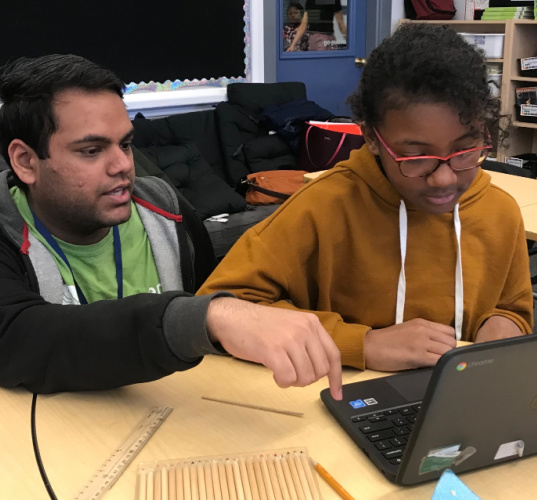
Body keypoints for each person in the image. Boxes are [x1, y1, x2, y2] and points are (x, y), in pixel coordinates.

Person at [198, 23, 534, 373]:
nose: (444, 177)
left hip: (459, 398)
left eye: (465, 150)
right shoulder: (322, 207)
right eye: (416, 157)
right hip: (342, 403)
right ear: (372, 138)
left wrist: (502, 328)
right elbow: (216, 309)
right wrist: (360, 344)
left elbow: (513, 307)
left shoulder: (500, 212)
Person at [0, 54, 342, 397]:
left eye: (126, 144)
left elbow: (212, 304)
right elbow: (18, 337)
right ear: (26, 162)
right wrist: (199, 320)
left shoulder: (166, 208)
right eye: (91, 150)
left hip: (174, 424)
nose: (123, 165)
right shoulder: (6, 229)